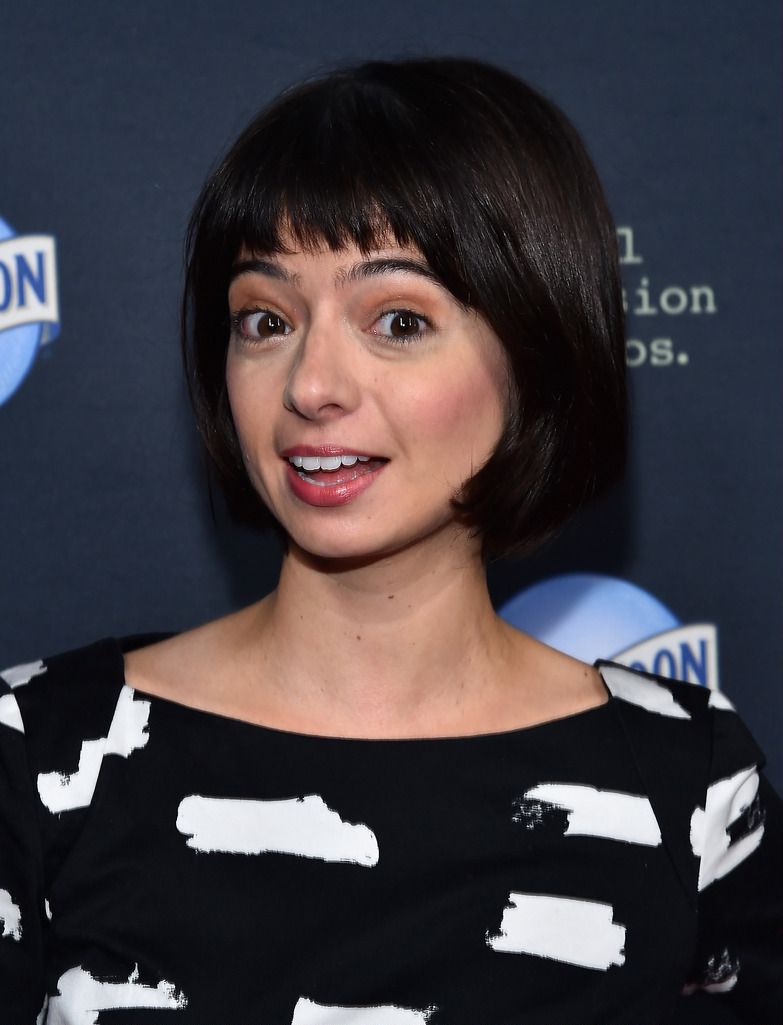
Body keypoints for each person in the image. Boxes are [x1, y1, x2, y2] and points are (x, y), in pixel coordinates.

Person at [0, 57, 780, 1025]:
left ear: (536, 353)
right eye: (265, 319)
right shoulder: (37, 751)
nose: (310, 384)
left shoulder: (687, 778)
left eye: (398, 319)